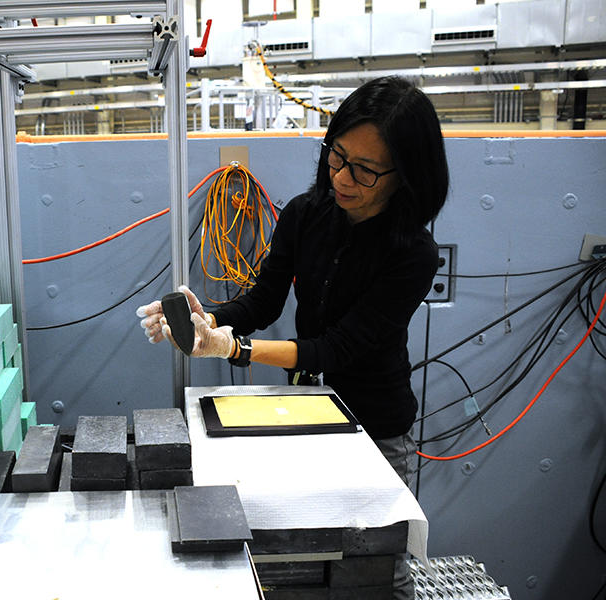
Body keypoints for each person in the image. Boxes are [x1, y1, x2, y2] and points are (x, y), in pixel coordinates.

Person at [137, 76, 449, 599]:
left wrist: (233, 349)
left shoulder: (413, 254)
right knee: (295, 553)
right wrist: (206, 322)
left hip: (376, 427)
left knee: (373, 569)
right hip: (307, 410)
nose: (343, 177)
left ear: (406, 176)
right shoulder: (307, 214)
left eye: (365, 170)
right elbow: (262, 302)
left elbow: (337, 349)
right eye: (336, 156)